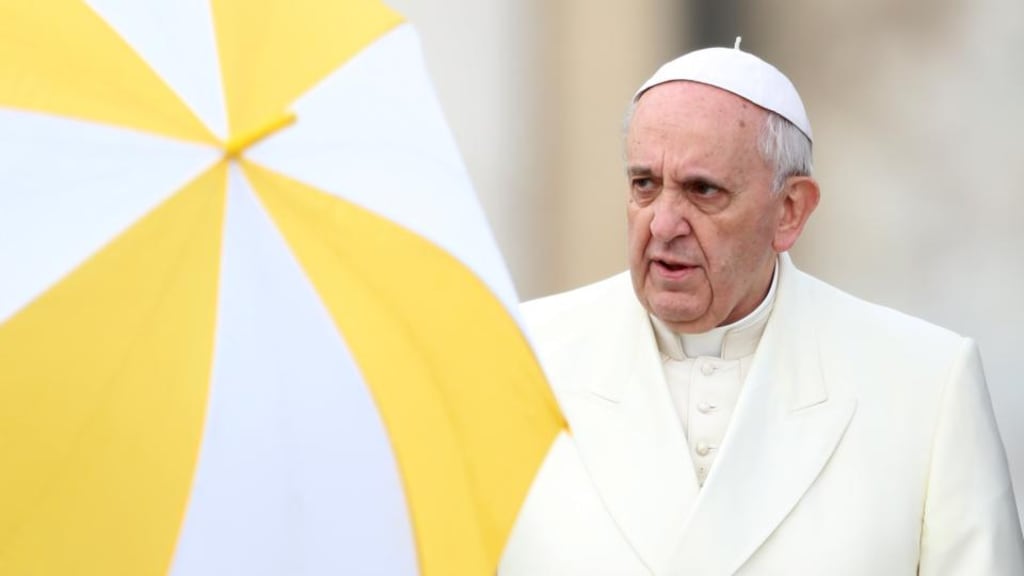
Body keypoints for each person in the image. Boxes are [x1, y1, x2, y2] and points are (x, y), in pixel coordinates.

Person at [499, 43, 1024, 575]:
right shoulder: (520, 357)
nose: (662, 225)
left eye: (703, 190)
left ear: (789, 210)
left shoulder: (926, 384)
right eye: (644, 185)